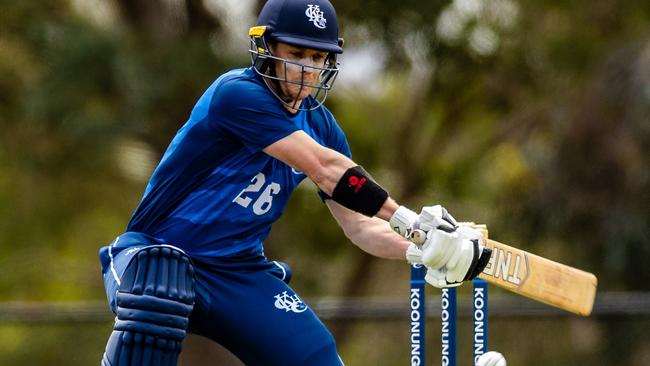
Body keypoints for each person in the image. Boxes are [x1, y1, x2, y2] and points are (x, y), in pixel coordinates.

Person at [98, 0, 491, 365]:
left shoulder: (322, 126)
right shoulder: (236, 94)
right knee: (157, 294)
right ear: (267, 49)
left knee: (314, 356)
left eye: (318, 57)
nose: (308, 68)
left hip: (238, 272)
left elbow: (360, 226)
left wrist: (425, 248)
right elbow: (324, 168)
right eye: (297, 54)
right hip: (158, 250)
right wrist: (414, 223)